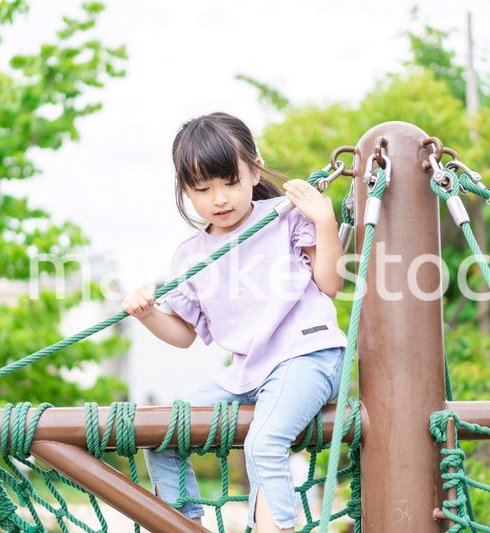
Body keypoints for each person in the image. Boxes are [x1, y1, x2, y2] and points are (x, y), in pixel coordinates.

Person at [121, 112, 347, 532]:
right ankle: (183, 525)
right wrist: (148, 314)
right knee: (160, 434)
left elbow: (330, 283)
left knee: (265, 441)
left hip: (309, 356)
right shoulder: (191, 255)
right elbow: (184, 335)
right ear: (184, 188)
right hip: (247, 374)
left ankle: (276, 528)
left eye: (230, 183)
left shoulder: (284, 216)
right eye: (203, 189)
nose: (219, 199)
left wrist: (325, 220)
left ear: (254, 168)